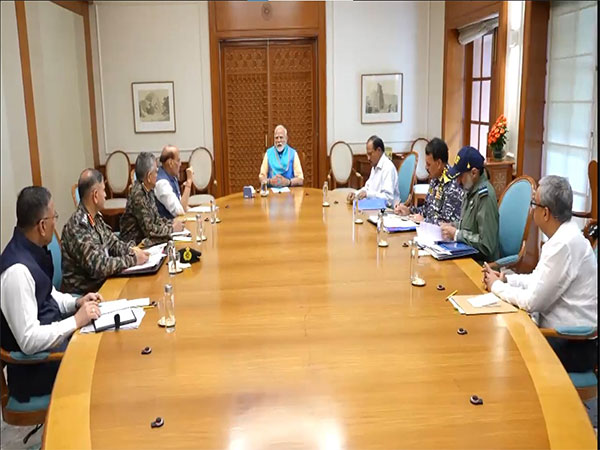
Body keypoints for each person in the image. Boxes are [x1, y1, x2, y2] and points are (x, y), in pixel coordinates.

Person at [483, 176, 597, 372]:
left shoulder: (564, 244)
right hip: (561, 337)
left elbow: (532, 302)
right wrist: (507, 279)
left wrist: (496, 286)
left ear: (545, 213)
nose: (531, 209)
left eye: (533, 203)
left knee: (504, 346)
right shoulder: (564, 236)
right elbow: (539, 280)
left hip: (572, 343)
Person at [0, 186, 102, 402]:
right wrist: (75, 321)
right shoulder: (17, 271)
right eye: (54, 216)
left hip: (54, 348)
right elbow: (28, 340)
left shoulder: (31, 250)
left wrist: (77, 302)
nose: (56, 221)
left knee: (105, 343)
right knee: (100, 365)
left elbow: (48, 294)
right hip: (37, 370)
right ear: (42, 226)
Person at [61, 169, 149, 294]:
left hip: (103, 284)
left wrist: (133, 251)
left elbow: (113, 244)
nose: (106, 195)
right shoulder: (78, 227)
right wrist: (133, 260)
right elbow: (98, 267)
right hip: (86, 295)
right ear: (95, 195)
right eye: (103, 190)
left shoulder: (95, 218)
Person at [440, 146, 499, 262]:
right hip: (466, 255)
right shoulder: (470, 188)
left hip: (480, 263)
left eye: (460, 176)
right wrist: (452, 226)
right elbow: (470, 226)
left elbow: (486, 244)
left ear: (474, 173)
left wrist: (457, 234)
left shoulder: (485, 196)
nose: (457, 181)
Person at [120, 152, 185, 247]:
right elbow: (149, 230)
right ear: (149, 176)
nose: (157, 175)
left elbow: (156, 219)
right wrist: (172, 229)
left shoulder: (149, 189)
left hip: (146, 240)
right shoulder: (138, 194)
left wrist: (171, 223)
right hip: (134, 244)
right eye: (156, 172)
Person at [394, 138, 463, 224]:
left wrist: (424, 221)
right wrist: (409, 211)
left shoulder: (453, 184)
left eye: (428, 164)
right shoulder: (435, 178)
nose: (426, 167)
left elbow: (448, 223)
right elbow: (427, 210)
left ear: (438, 163)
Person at [346, 135, 398, 204]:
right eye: (367, 155)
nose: (368, 158)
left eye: (370, 154)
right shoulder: (375, 165)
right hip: (375, 205)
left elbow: (388, 199)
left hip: (387, 208)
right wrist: (355, 194)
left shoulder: (388, 168)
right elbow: (367, 188)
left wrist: (368, 194)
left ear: (379, 150)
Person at [155, 144, 194, 219]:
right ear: (170, 163)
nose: (180, 164)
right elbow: (180, 211)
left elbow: (181, 204)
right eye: (178, 160)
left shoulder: (172, 176)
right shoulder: (162, 183)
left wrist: (196, 212)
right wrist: (189, 182)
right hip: (168, 224)